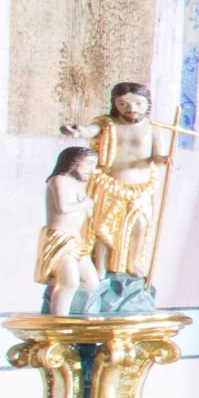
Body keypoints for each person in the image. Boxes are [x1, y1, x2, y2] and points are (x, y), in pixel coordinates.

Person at [61, 81, 175, 284]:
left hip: (141, 187)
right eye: (123, 104)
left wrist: (163, 160)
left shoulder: (153, 129)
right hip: (110, 184)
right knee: (104, 227)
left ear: (147, 103)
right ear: (115, 104)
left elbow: (156, 158)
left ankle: (134, 262)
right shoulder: (108, 125)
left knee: (140, 226)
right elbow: (91, 130)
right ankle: (100, 265)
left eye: (138, 104)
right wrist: (80, 131)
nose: (132, 108)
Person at [35, 146, 96, 315]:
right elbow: (62, 208)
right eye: (89, 164)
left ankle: (72, 316)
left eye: (94, 165)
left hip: (76, 241)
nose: (92, 170)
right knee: (69, 283)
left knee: (91, 282)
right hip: (60, 239)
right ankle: (59, 322)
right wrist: (84, 204)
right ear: (74, 162)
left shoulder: (80, 184)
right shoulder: (58, 180)